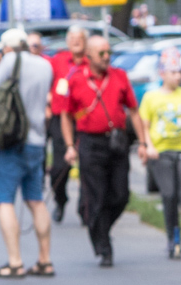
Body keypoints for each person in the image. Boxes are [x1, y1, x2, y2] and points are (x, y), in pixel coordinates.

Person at [53, 35, 147, 267]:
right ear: (89, 56)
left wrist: (144, 143)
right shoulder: (75, 79)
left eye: (108, 52)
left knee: (120, 195)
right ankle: (104, 246)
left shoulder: (119, 76)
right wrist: (68, 146)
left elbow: (133, 111)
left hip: (116, 142)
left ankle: (102, 227)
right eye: (102, 53)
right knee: (96, 197)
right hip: (90, 143)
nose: (107, 57)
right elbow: (66, 116)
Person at [0, 29, 55, 278]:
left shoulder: (11, 61)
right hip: (37, 140)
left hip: (13, 139)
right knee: (36, 200)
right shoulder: (46, 66)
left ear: (8, 47)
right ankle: (45, 260)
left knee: (4, 199)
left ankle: (15, 262)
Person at [137, 46, 181, 257]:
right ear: (162, 73)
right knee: (169, 195)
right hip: (161, 152)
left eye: (180, 72)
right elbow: (144, 124)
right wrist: (148, 146)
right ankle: (172, 238)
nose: (178, 76)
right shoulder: (151, 97)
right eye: (173, 72)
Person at [45, 25, 88, 223]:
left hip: (84, 118)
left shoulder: (91, 61)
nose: (75, 41)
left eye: (79, 37)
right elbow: (46, 81)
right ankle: (60, 200)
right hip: (60, 118)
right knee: (59, 168)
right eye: (72, 38)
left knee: (88, 166)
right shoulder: (59, 60)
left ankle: (84, 208)